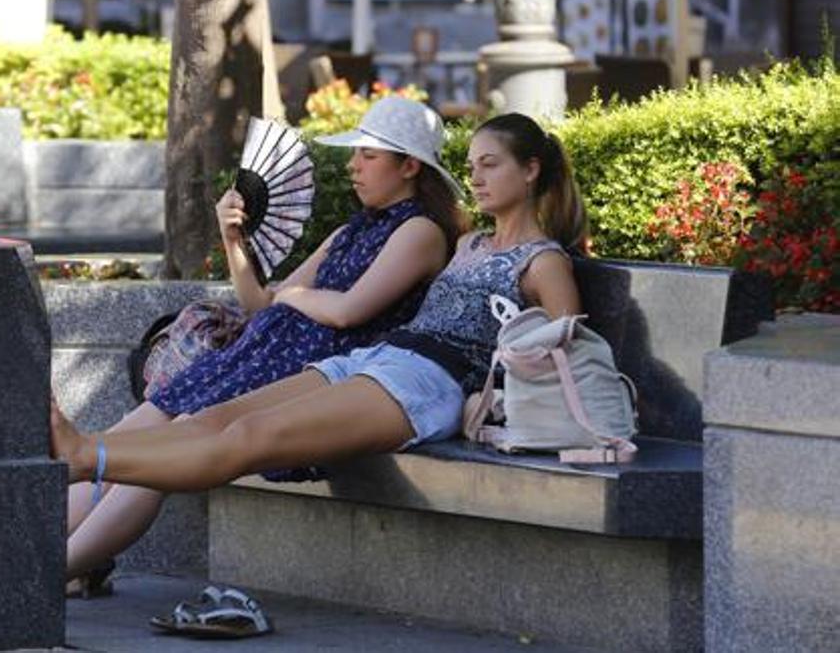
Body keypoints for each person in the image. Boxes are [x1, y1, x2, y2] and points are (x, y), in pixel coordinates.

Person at [50, 111, 587, 501]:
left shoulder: (543, 261)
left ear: (531, 170)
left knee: (251, 437)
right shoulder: (468, 245)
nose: (476, 178)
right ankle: (87, 456)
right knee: (217, 416)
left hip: (430, 384)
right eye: (472, 165)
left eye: (490, 165)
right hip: (377, 361)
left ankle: (87, 458)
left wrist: (487, 402)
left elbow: (566, 361)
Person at [61, 96, 467, 588]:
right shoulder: (349, 230)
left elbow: (348, 311)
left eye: (369, 155)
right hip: (256, 353)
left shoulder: (420, 231)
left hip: (310, 370)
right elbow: (260, 303)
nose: (354, 165)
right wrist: (232, 240)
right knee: (130, 432)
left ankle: (55, 571)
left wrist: (294, 296)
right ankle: (34, 554)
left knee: (164, 448)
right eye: (356, 153)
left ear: (409, 166)